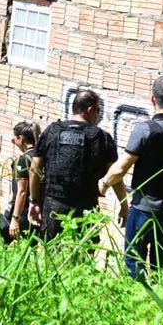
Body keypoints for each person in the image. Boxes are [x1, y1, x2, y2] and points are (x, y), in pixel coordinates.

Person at [100, 76, 163, 278]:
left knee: (134, 258)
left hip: (145, 208)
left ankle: (137, 299)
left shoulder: (145, 129)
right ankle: (158, 300)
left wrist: (104, 183)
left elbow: (120, 168)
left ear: (153, 100)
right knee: (162, 260)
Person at [34, 89, 120, 239]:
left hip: (54, 204)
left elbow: (34, 168)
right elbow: (115, 173)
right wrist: (124, 206)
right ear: (90, 110)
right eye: (98, 111)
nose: (98, 115)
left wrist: (33, 201)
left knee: (51, 254)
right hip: (86, 208)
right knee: (83, 255)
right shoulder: (102, 138)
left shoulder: (52, 131)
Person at [2, 121, 41, 242]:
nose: (12, 140)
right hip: (39, 211)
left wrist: (15, 218)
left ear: (21, 139)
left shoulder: (23, 160)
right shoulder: (41, 157)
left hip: (24, 212)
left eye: (15, 136)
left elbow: (22, 191)